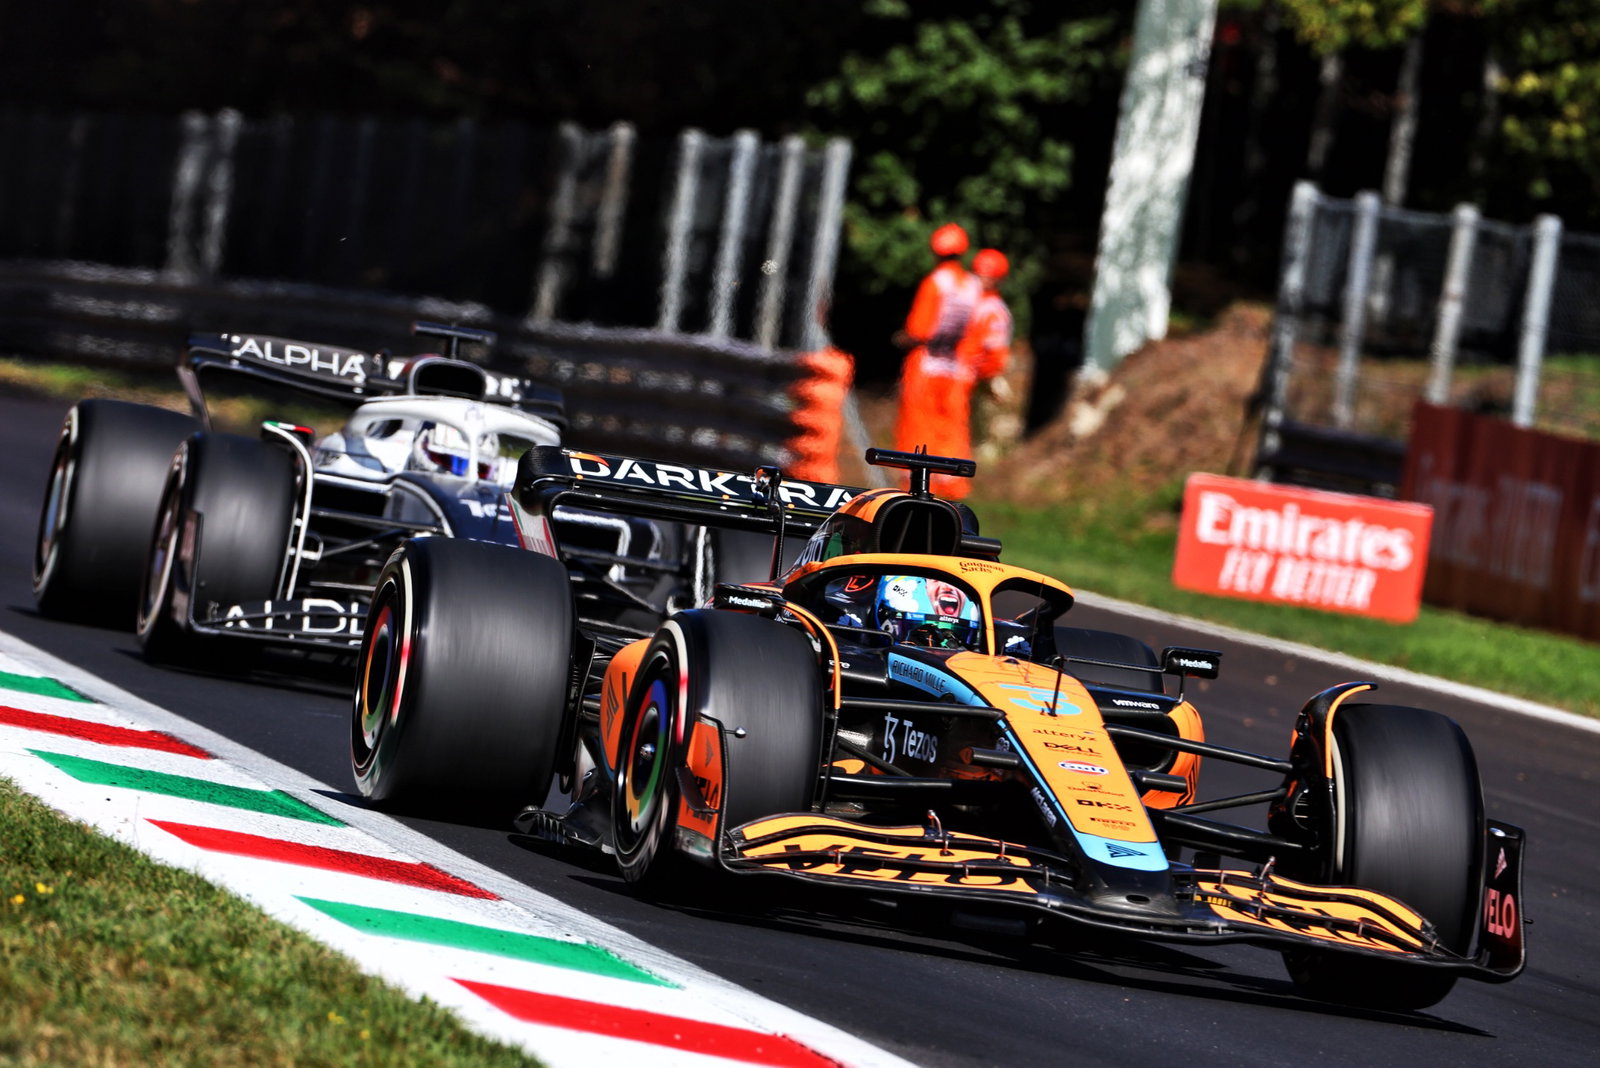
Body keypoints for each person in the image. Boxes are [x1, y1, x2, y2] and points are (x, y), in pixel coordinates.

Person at [892, 223, 982, 497]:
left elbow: (919, 331)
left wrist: (901, 338)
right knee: (951, 426)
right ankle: (951, 484)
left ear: (936, 251)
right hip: (955, 368)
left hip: (926, 366)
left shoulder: (934, 283)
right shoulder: (973, 285)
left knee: (919, 425)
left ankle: (914, 484)